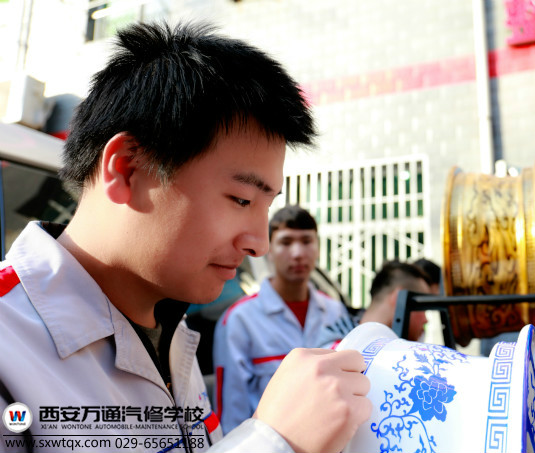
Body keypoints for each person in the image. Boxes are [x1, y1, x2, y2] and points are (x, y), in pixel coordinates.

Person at [0, 21, 370, 453]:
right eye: (241, 199)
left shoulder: (172, 333)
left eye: (266, 206)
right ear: (127, 169)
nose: (260, 244)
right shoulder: (11, 349)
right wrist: (274, 441)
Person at [212, 205, 351, 433]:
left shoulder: (335, 312)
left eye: (306, 241)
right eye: (286, 242)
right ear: (269, 249)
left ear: (317, 247)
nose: (297, 253)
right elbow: (232, 415)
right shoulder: (240, 320)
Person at [317, 260, 431, 348]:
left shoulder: (339, 337)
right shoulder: (338, 347)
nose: (426, 320)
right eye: (422, 308)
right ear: (399, 299)